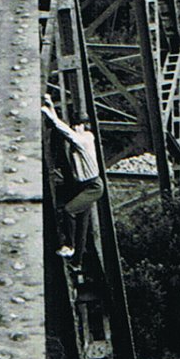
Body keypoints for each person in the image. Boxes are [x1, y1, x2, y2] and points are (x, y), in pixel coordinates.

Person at [41, 94, 103, 270]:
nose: (75, 127)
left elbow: (67, 132)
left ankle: (69, 246)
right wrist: (51, 106)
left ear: (83, 126)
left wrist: (50, 115)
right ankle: (77, 262)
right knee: (82, 224)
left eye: (78, 124)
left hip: (92, 186)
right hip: (82, 185)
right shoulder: (83, 136)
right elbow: (65, 128)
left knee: (68, 210)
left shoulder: (85, 139)